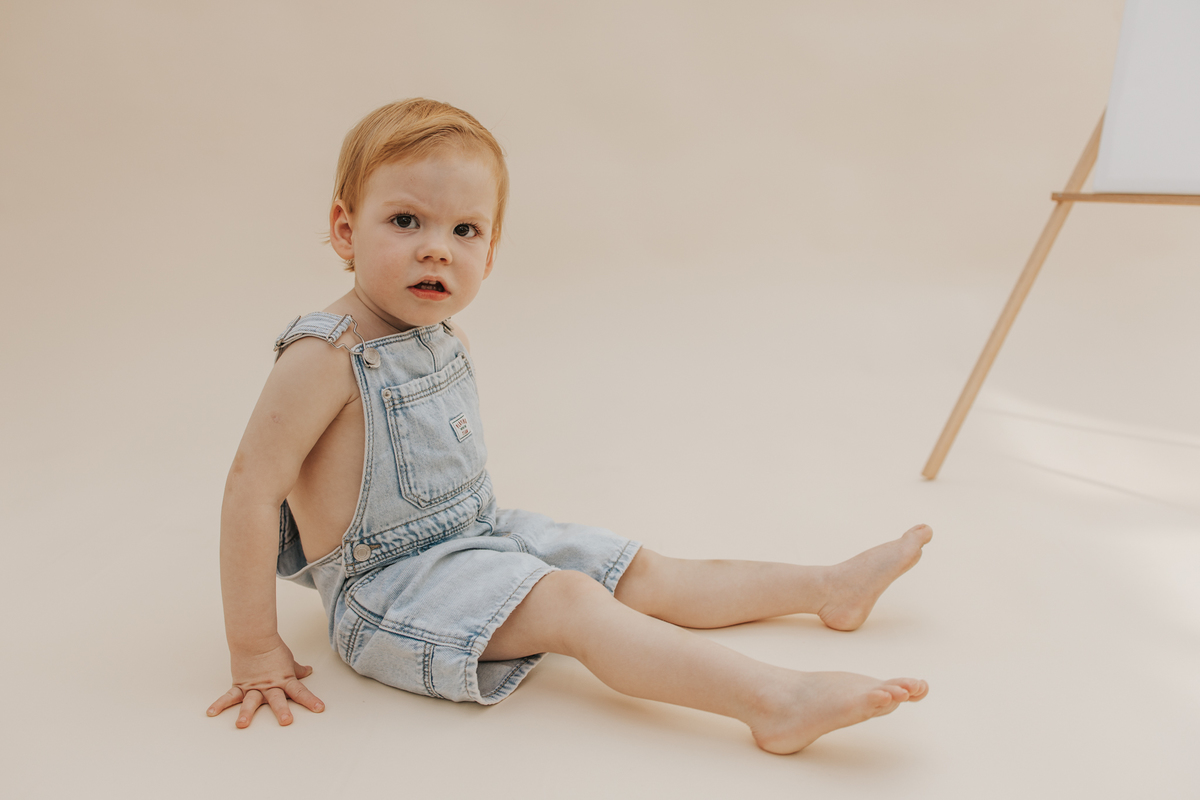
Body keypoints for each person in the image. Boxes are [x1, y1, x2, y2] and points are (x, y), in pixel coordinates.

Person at [207, 98, 931, 754]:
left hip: (478, 536)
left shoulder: (441, 334)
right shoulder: (324, 356)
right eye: (406, 221)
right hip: (391, 591)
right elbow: (250, 491)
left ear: (490, 253)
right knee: (573, 602)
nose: (437, 248)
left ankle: (828, 588)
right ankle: (775, 701)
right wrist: (255, 649)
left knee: (634, 569)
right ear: (345, 229)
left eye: (465, 230)